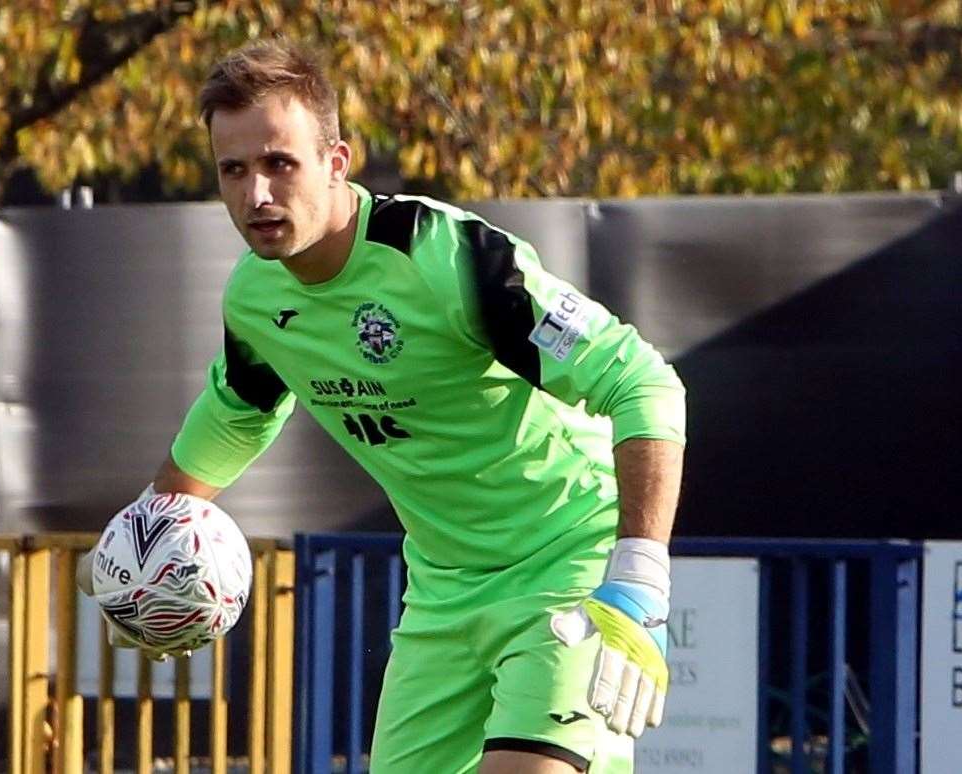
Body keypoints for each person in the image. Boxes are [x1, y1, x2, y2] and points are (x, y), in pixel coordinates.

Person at [80, 40, 685, 774]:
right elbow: (236, 414)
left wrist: (639, 580)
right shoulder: (256, 296)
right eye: (233, 170)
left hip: (569, 568)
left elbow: (644, 383)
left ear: (337, 162)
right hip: (443, 597)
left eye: (279, 163)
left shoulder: (441, 257)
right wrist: (134, 557)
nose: (256, 195)